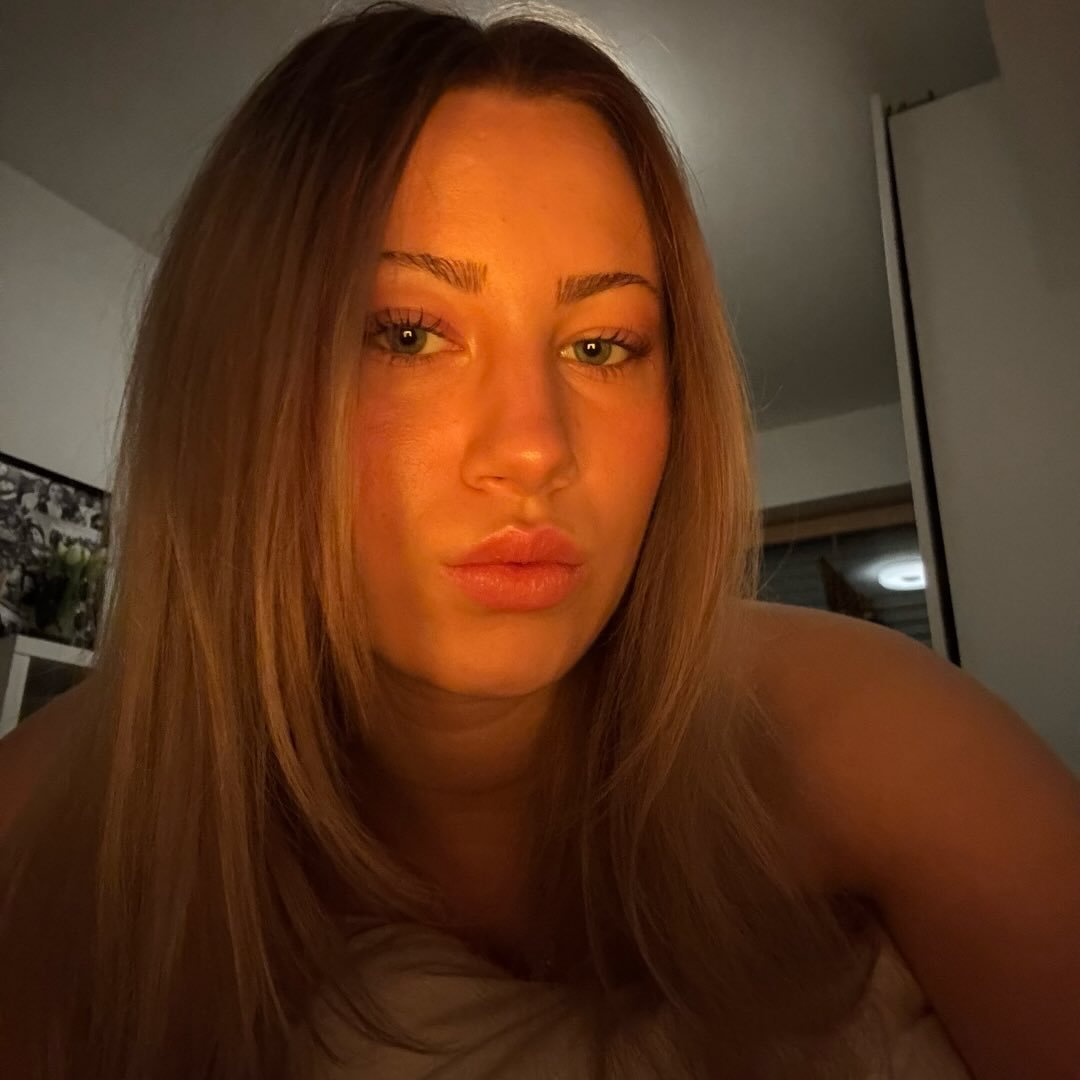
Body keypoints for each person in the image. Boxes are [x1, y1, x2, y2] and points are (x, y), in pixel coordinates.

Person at [1, 4, 1078, 1079]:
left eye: (601, 346)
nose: (534, 449)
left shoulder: (888, 744)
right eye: (407, 333)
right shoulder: (46, 827)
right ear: (233, 384)